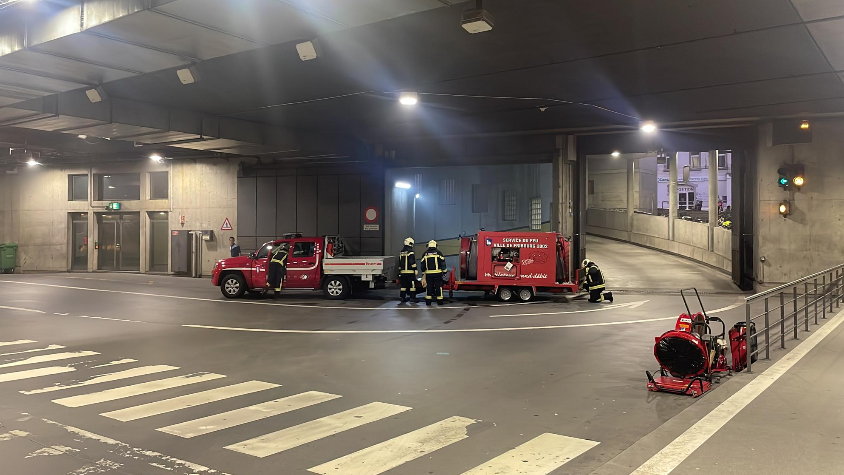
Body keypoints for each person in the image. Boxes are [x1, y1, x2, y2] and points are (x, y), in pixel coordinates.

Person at [420, 240, 446, 306]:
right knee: (438, 287)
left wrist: (423, 273)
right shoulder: (439, 253)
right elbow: (442, 263)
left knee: (429, 287)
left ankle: (428, 302)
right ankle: (440, 301)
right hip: (438, 273)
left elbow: (422, 265)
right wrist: (444, 271)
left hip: (429, 274)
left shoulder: (425, 254)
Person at [398, 237, 418, 304]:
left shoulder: (401, 252)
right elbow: (412, 262)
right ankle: (412, 298)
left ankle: (402, 297)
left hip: (403, 272)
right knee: (412, 285)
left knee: (403, 286)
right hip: (410, 272)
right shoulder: (410, 252)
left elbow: (400, 263)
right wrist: (415, 269)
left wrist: (400, 271)